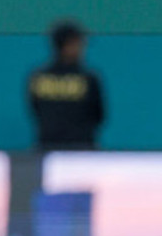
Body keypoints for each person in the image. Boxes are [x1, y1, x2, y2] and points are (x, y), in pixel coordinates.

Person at [27, 21, 104, 150]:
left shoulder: (38, 77)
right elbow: (99, 115)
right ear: (67, 45)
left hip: (47, 150)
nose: (82, 48)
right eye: (79, 43)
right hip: (81, 151)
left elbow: (35, 110)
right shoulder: (88, 78)